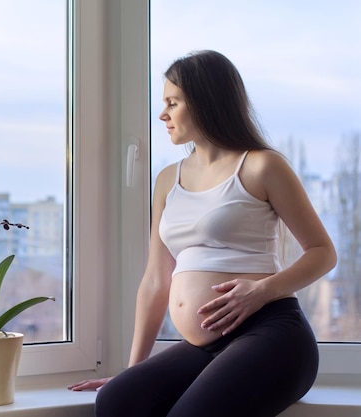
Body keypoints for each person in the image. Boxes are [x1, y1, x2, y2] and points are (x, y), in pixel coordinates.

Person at [67, 50, 337, 417]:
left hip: (272, 334)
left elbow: (322, 252)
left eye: (172, 103)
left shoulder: (261, 165)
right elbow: (154, 281)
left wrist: (261, 291)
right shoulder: (167, 179)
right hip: (206, 346)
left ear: (205, 102)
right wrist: (134, 368)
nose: (162, 114)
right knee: (118, 400)